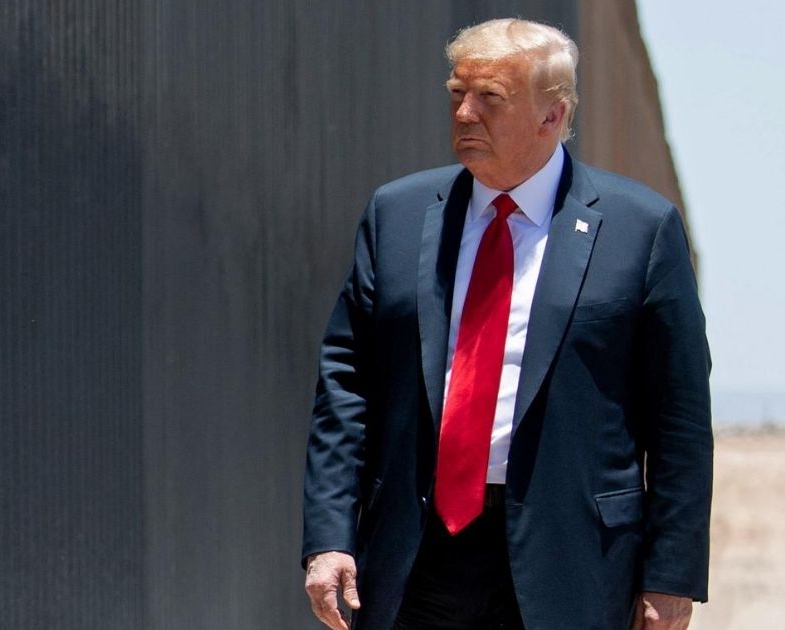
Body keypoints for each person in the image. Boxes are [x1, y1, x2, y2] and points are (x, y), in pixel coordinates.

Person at [301, 18, 711, 630]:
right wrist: (329, 537)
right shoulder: (399, 214)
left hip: (571, 561)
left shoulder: (640, 229)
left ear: (553, 115)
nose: (464, 114)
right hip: (415, 555)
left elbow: (678, 416)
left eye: (489, 98)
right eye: (456, 95)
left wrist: (671, 574)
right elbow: (345, 386)